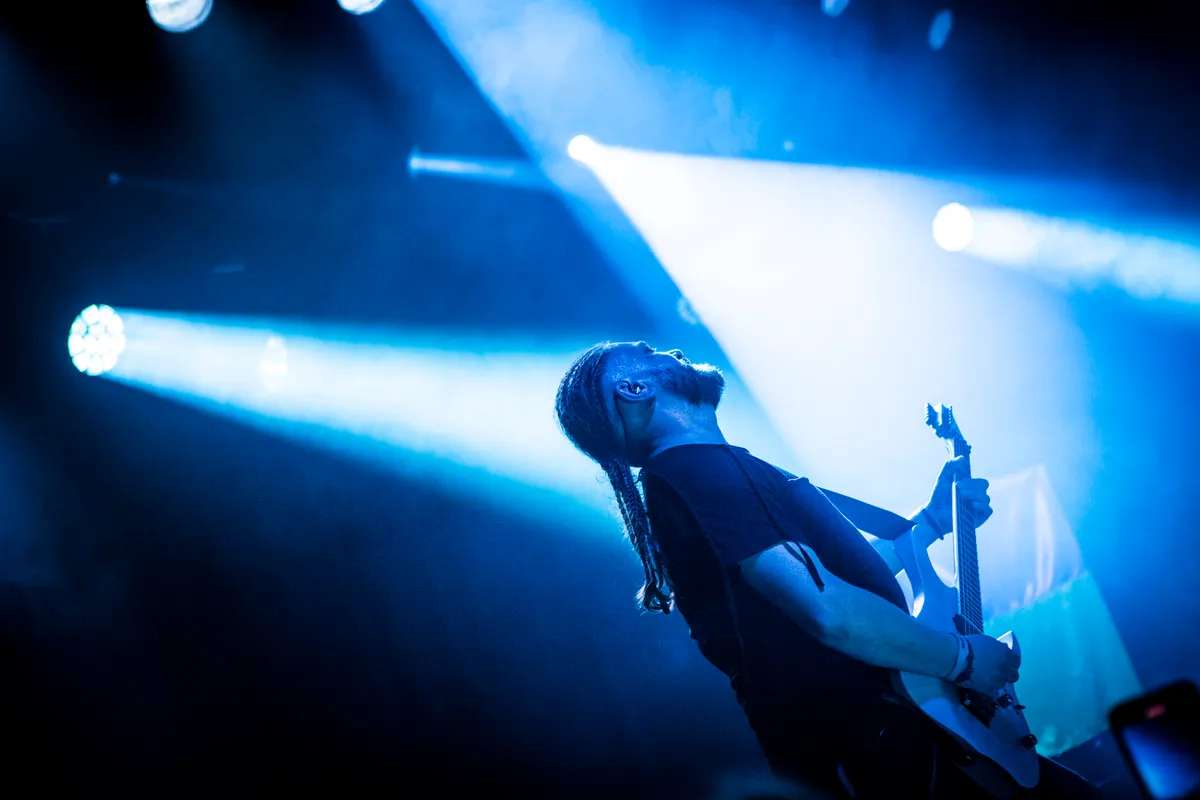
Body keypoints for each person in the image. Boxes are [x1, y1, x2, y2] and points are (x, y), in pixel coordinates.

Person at [554, 341, 1103, 799]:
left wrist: (933, 522)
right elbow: (828, 610)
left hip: (905, 738)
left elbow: (835, 581)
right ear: (633, 388)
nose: (671, 351)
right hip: (892, 748)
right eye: (648, 352)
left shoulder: (702, 473)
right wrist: (961, 659)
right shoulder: (694, 469)